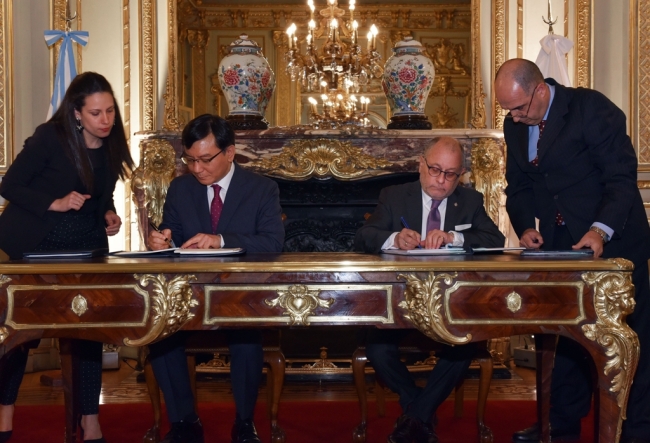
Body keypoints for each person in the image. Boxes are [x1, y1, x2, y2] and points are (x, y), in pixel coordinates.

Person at [495, 58, 650, 443]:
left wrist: (600, 229)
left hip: (616, 240)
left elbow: (620, 178)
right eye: (508, 110)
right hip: (560, 246)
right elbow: (518, 187)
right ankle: (558, 426)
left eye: (519, 108)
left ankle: (637, 428)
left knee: (630, 337)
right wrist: (526, 227)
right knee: (564, 335)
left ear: (541, 90)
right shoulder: (515, 125)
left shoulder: (592, 109)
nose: (514, 118)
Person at [0, 72, 134, 442]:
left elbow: (101, 192)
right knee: (21, 335)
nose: (105, 120)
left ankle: (90, 420)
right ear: (76, 113)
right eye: (95, 113)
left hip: (85, 247)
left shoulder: (110, 142)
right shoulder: (49, 137)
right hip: (36, 245)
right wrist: (54, 203)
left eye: (109, 111)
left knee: (88, 332)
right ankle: (4, 415)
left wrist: (108, 212)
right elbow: (9, 185)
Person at [354, 136, 505, 443]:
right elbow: (364, 235)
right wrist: (394, 238)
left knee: (463, 347)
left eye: (450, 174)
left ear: (460, 174)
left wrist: (454, 238)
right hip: (399, 303)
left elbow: (495, 240)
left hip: (451, 305)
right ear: (420, 165)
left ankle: (414, 415)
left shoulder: (470, 200)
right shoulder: (395, 195)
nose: (441, 180)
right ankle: (421, 412)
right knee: (378, 350)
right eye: (435, 169)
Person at [147, 114, 284, 443]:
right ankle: (184, 422)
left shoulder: (261, 188)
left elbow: (272, 242)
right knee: (160, 334)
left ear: (230, 153)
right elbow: (173, 238)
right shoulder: (181, 189)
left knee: (246, 336)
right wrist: (161, 240)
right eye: (190, 160)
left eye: (205, 159)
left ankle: (243, 422)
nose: (197, 168)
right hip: (190, 294)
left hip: (241, 295)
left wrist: (220, 240)